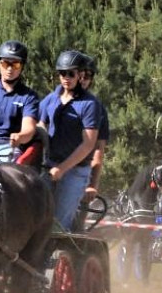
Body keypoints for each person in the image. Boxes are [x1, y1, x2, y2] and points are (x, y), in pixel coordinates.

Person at [37, 50, 105, 231]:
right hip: (49, 166)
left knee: (57, 224)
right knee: (35, 216)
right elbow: (40, 125)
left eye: (71, 73)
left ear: (80, 74)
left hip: (75, 172)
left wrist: (62, 169)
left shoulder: (90, 104)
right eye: (62, 73)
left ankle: (55, 258)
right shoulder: (51, 99)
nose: (66, 77)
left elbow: (89, 143)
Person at [77, 52, 109, 202]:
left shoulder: (98, 109)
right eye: (80, 75)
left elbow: (98, 150)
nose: (83, 80)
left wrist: (93, 184)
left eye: (88, 76)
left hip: (81, 171)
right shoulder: (53, 102)